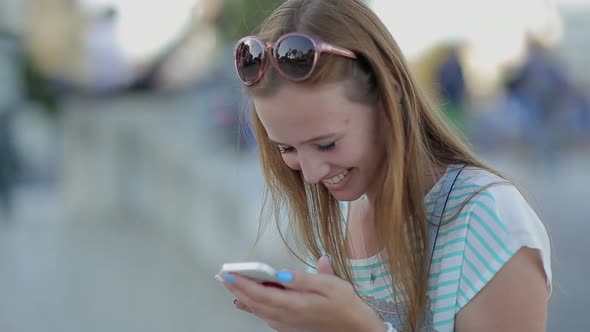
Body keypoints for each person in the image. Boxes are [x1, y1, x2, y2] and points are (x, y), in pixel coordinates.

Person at [219, 0, 552, 331]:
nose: (310, 173)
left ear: (389, 96)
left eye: (327, 144)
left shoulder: (489, 222)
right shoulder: (344, 211)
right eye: (286, 148)